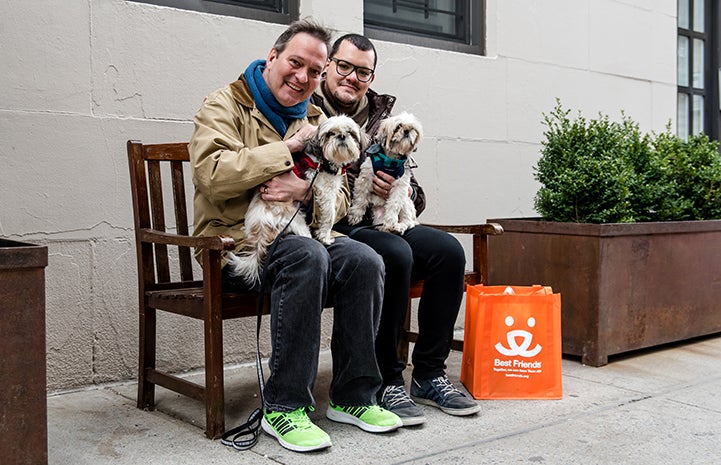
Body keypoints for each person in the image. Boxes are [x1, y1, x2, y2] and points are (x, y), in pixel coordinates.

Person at [188, 20, 401, 453]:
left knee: (365, 260)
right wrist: (286, 150)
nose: (302, 77)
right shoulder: (225, 105)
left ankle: (354, 396)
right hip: (235, 246)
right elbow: (211, 175)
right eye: (295, 63)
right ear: (273, 57)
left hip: (299, 232)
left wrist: (305, 189)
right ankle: (284, 406)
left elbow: (340, 194)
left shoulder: (318, 116)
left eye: (313, 71)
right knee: (308, 257)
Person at [311, 34, 481, 426]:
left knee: (448, 252)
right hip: (338, 224)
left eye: (363, 71)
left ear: (372, 76)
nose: (352, 77)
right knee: (395, 252)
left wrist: (395, 189)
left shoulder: (384, 115)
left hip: (386, 216)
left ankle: (428, 374)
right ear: (329, 65)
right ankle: (388, 378)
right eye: (345, 66)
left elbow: (414, 193)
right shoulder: (309, 109)